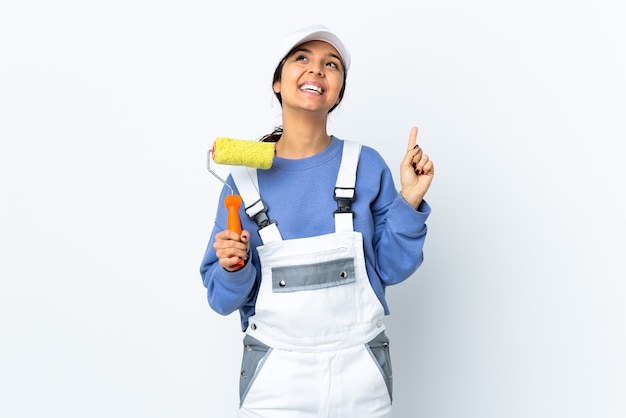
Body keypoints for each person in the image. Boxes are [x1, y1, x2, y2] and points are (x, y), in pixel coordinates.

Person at [200, 24, 434, 418]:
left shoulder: (365, 166)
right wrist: (233, 267)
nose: (317, 70)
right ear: (278, 81)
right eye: (302, 58)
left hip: (361, 374)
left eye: (332, 64)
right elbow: (223, 300)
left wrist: (409, 200)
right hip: (274, 379)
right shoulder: (243, 181)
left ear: (338, 91)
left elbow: (391, 269)